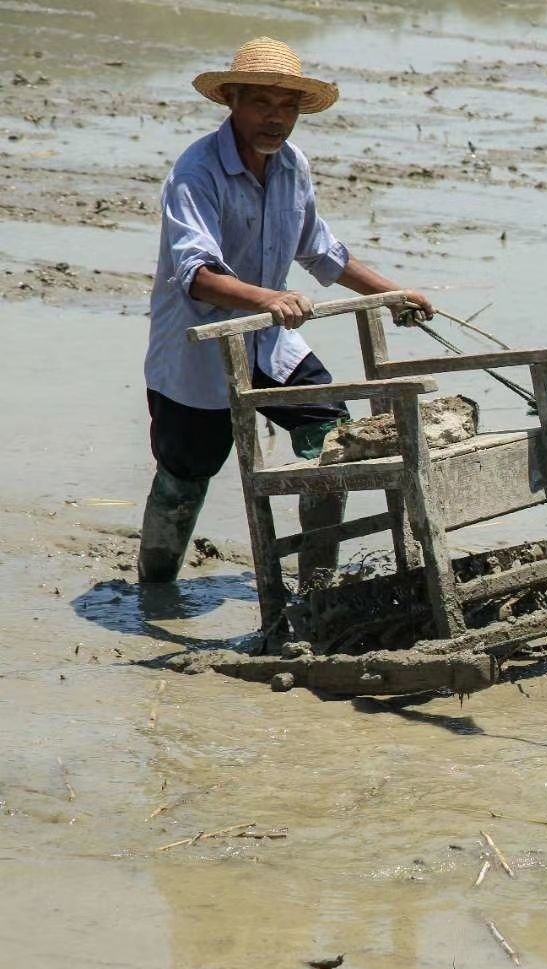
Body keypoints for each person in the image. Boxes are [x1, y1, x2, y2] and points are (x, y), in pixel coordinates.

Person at [139, 36, 434, 586]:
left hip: (270, 344)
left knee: (336, 444)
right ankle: (154, 592)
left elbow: (320, 249)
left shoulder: (292, 165)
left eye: (288, 107)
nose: (276, 120)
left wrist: (391, 294)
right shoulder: (195, 173)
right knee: (185, 477)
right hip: (197, 353)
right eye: (262, 104)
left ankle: (317, 586)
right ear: (232, 101)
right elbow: (197, 276)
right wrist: (269, 297)